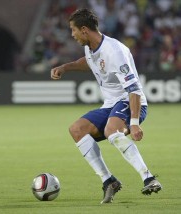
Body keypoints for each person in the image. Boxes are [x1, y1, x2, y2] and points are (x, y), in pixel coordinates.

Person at [50, 9, 162, 204]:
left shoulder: (115, 51)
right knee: (77, 129)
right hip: (111, 104)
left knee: (112, 130)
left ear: (84, 30)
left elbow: (133, 88)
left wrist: (134, 123)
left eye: (73, 30)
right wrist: (65, 67)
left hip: (131, 101)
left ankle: (149, 178)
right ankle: (108, 181)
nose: (72, 34)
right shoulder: (90, 47)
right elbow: (90, 62)